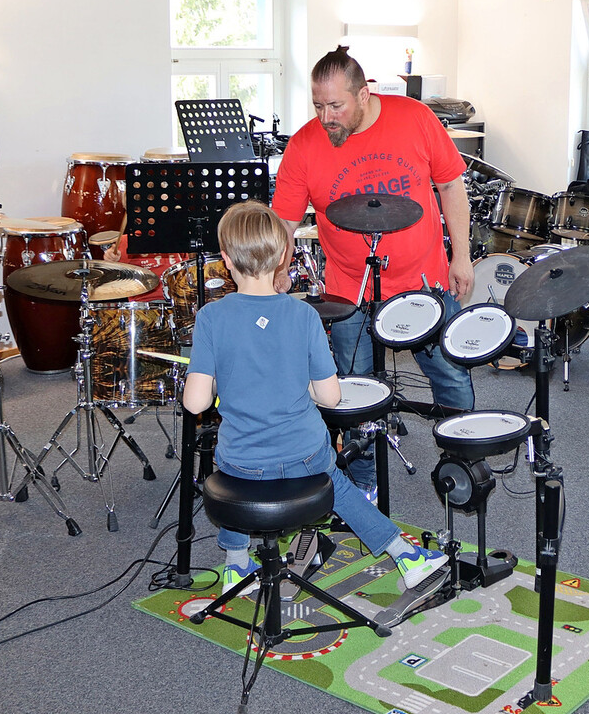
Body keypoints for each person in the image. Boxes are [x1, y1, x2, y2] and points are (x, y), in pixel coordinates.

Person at [181, 201, 449, 598]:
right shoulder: (304, 316)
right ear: (283, 256)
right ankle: (405, 556)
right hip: (304, 456)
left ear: (224, 258)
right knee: (337, 483)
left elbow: (196, 403)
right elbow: (330, 395)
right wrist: (299, 384)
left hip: (243, 461)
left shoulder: (211, 317)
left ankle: (236, 566)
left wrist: (226, 381)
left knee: (230, 463)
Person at [271, 47, 475, 498]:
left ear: (364, 94)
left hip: (424, 281)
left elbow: (451, 186)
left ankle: (463, 465)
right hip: (349, 288)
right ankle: (364, 483)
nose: (326, 117)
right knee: (352, 391)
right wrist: (277, 268)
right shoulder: (305, 145)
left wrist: (461, 255)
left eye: (336, 105)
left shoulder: (416, 118)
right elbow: (283, 222)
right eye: (317, 105)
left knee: (450, 375)